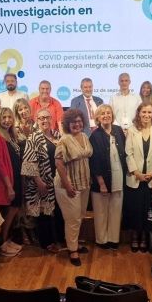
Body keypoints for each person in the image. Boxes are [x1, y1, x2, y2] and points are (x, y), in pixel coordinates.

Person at [54, 109, 93, 266]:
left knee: (80, 216)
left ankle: (74, 243)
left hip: (84, 184)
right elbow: (58, 163)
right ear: (67, 124)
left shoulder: (84, 136)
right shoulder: (64, 140)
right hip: (68, 186)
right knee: (72, 219)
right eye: (73, 122)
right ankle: (72, 250)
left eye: (79, 121)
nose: (77, 124)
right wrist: (67, 184)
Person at [21, 109, 64, 254]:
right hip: (42, 182)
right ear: (37, 120)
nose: (44, 120)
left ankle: (60, 240)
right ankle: (47, 243)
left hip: (58, 181)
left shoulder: (58, 135)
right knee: (44, 215)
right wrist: (39, 182)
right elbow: (29, 162)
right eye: (41, 118)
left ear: (52, 119)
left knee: (58, 212)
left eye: (47, 117)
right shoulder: (33, 137)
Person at [125, 103, 152, 252]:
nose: (146, 115)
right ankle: (135, 237)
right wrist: (136, 172)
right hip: (135, 178)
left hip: (150, 178)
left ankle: (144, 238)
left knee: (147, 210)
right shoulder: (132, 130)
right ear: (139, 113)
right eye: (144, 112)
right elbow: (128, 153)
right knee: (135, 209)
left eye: (149, 112)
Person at [89, 104, 127, 249]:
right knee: (101, 212)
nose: (106, 115)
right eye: (102, 113)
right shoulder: (95, 136)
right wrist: (101, 183)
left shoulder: (118, 130)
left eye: (108, 113)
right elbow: (94, 162)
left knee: (116, 210)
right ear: (98, 118)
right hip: (102, 181)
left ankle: (113, 239)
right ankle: (102, 240)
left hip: (118, 176)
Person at [0, 108, 24, 256]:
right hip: (6, 181)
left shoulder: (10, 135)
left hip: (16, 177)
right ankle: (1, 243)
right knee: (6, 213)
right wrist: (9, 186)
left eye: (10, 117)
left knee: (14, 208)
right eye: (4, 117)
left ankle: (6, 239)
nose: (7, 120)